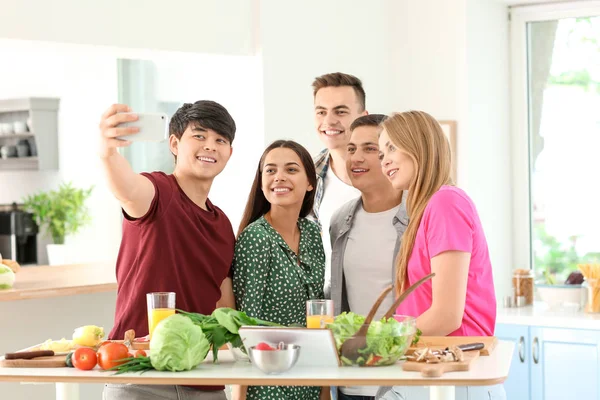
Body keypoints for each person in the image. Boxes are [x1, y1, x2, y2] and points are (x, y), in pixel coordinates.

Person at [99, 101, 237, 400]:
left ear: (229, 152)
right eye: (199, 136)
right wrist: (108, 152)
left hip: (204, 381)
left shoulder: (223, 225)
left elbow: (224, 311)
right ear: (174, 143)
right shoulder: (158, 192)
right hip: (140, 376)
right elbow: (127, 189)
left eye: (220, 140)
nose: (210, 146)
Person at [374, 111, 503, 400]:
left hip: (455, 374)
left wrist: (378, 339)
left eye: (392, 147)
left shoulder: (446, 203)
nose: (384, 161)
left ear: (418, 145)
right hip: (436, 370)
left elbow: (447, 315)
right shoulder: (428, 209)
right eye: (382, 153)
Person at [231, 140, 329, 400]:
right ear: (262, 181)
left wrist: (326, 386)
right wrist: (239, 395)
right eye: (270, 170)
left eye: (291, 170)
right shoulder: (256, 238)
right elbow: (246, 325)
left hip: (310, 376)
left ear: (310, 182)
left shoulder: (312, 233)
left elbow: (319, 317)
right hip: (267, 381)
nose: (279, 177)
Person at [329, 114, 407, 400]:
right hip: (350, 380)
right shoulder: (340, 220)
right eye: (351, 149)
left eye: (369, 149)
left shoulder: (420, 217)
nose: (356, 158)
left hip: (401, 380)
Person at [311, 72, 368, 297]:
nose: (329, 121)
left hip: (387, 308)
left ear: (363, 117)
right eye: (321, 112)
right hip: (328, 310)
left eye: (340, 111)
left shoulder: (393, 175)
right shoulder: (307, 176)